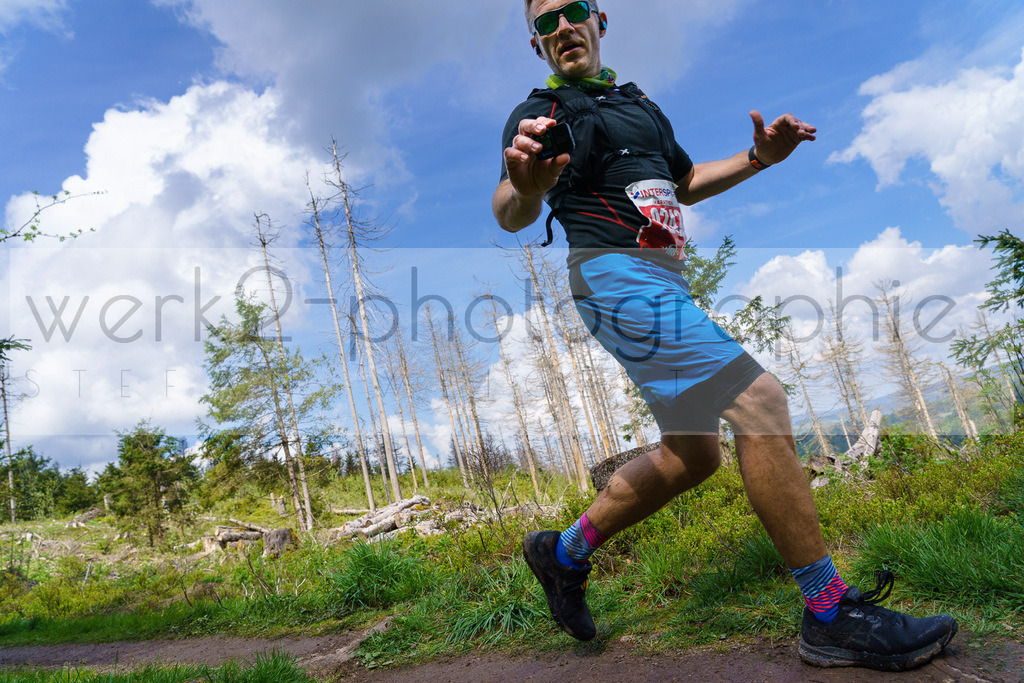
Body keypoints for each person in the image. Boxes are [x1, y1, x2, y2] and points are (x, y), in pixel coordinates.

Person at [493, 0, 957, 672]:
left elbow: (683, 183)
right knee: (761, 401)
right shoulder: (540, 113)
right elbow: (510, 208)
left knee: (693, 455)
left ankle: (561, 552)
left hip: (662, 284)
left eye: (573, 10)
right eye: (544, 22)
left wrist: (758, 158)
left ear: (599, 19)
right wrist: (527, 187)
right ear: (537, 45)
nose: (561, 27)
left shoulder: (640, 105)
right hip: (614, 278)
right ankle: (830, 612)